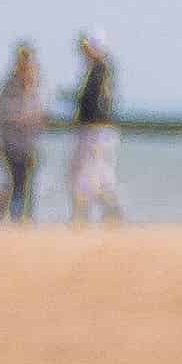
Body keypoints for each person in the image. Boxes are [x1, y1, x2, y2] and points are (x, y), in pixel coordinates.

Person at [67, 30, 123, 222]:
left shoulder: (100, 70)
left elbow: (96, 103)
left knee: (91, 172)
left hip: (96, 130)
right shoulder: (98, 70)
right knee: (94, 172)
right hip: (95, 129)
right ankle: (104, 211)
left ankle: (90, 213)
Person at [0, 38, 47, 218]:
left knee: (26, 182)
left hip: (29, 144)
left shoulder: (37, 87)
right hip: (10, 143)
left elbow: (41, 114)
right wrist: (19, 119)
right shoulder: (9, 85)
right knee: (14, 181)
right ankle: (12, 215)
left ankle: (24, 217)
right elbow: (0, 112)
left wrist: (34, 120)